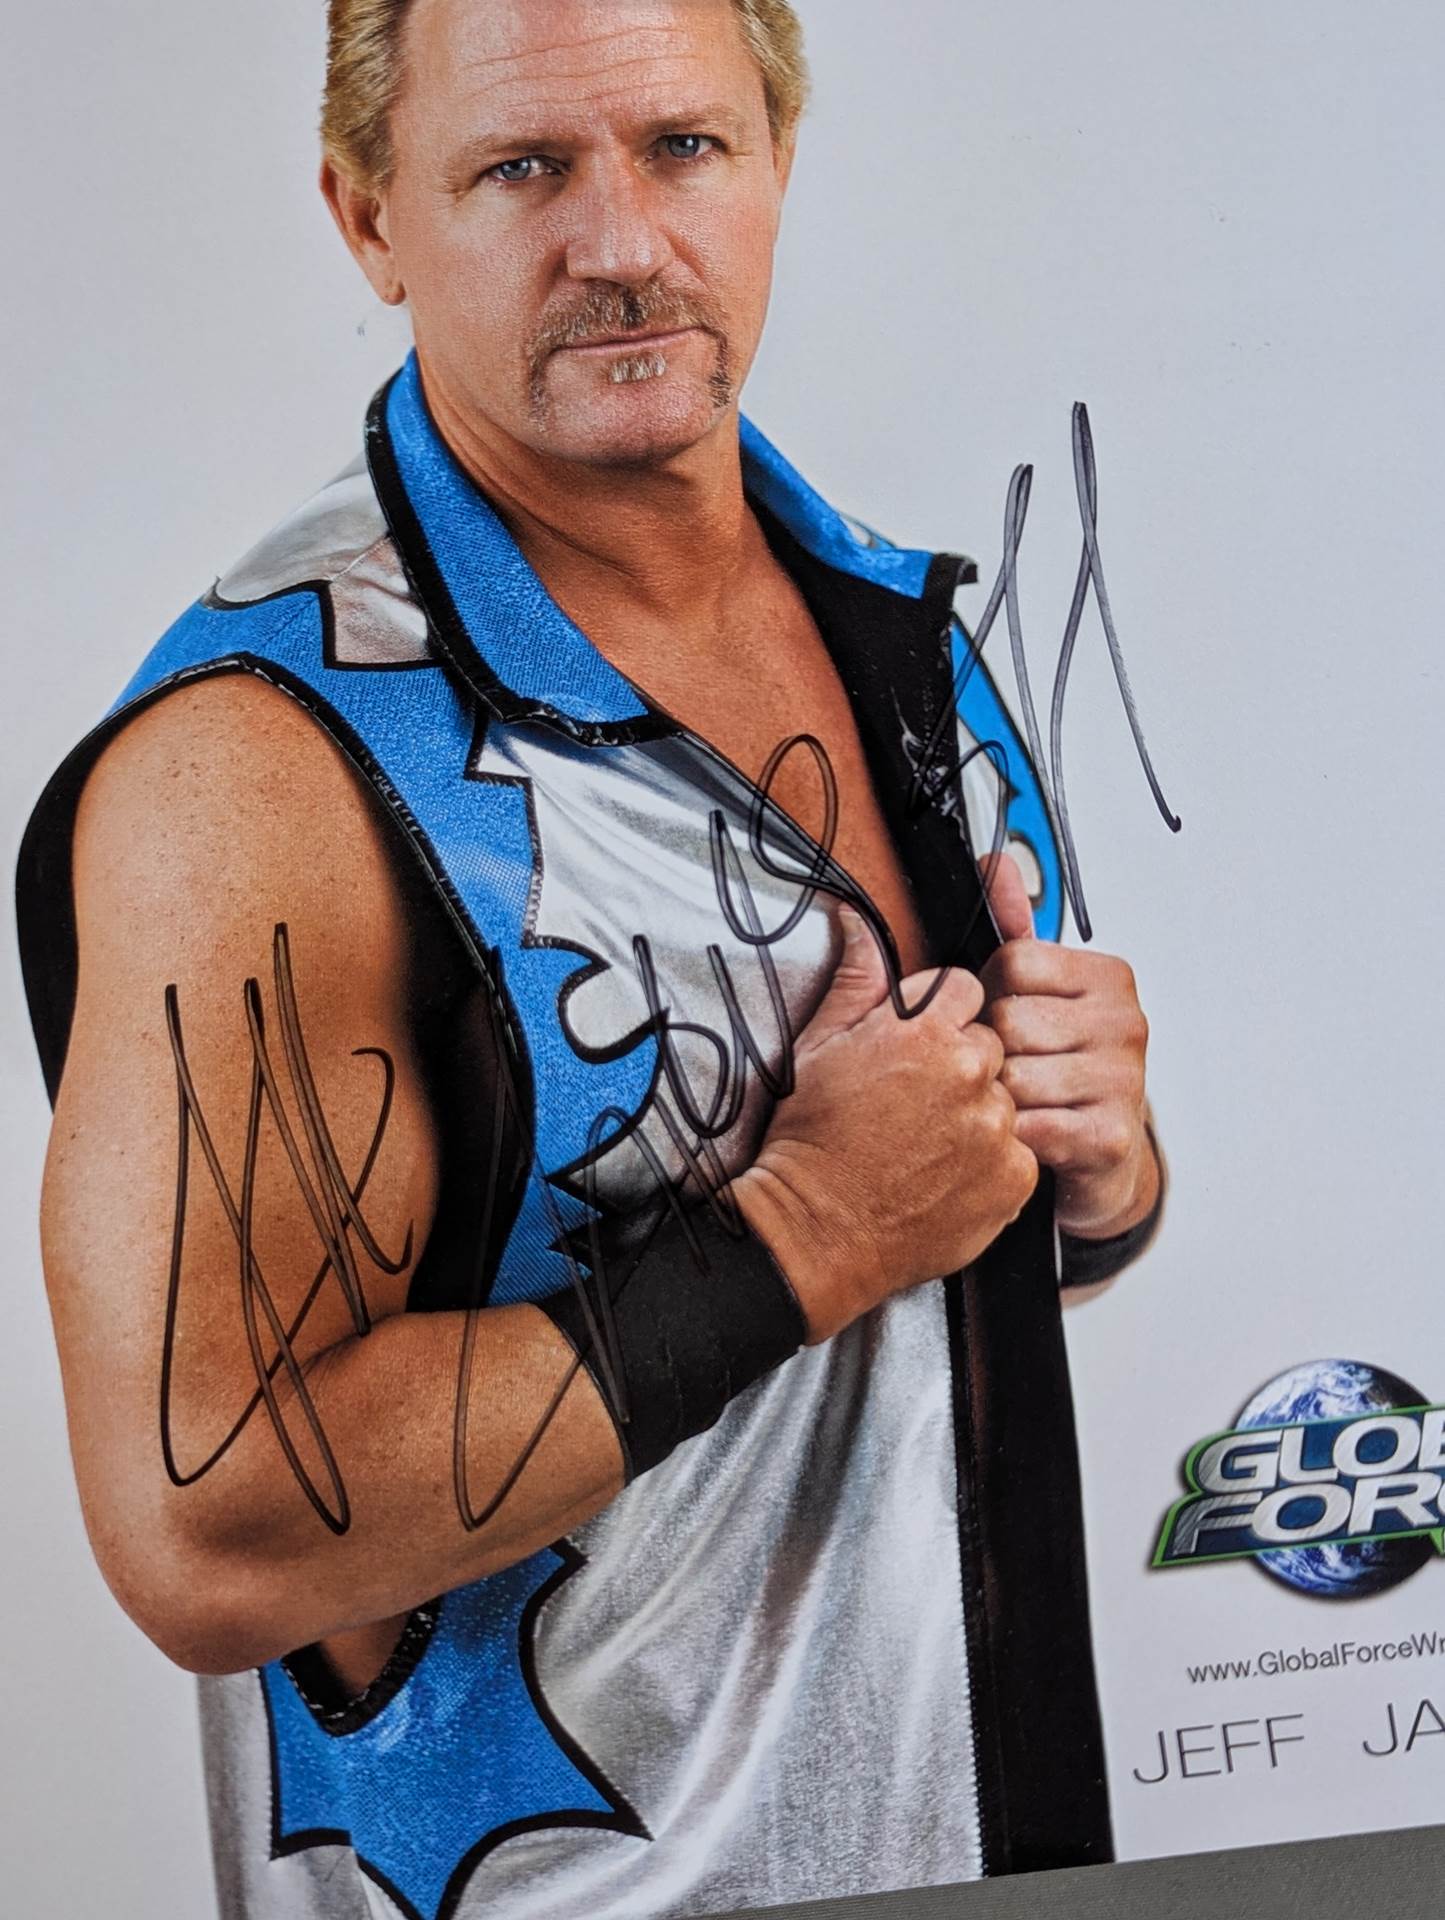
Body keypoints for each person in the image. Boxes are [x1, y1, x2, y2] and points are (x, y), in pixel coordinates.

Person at [16, 2, 1166, 1915]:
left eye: (683, 147)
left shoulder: (903, 633)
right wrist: (808, 1228)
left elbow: (929, 1252)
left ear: (778, 158)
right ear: (370, 218)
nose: (621, 242)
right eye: (522, 167)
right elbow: (207, 1531)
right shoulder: (260, 769)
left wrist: (1089, 1170)